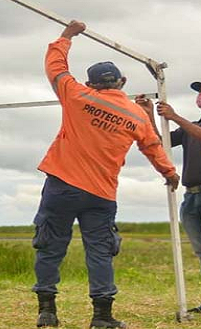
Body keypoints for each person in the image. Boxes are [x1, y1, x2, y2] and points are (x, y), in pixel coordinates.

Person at [32, 21, 180, 328]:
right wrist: (169, 172)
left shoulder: (76, 95)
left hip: (62, 185)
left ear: (91, 83)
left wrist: (66, 37)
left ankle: (47, 311)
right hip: (101, 193)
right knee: (99, 253)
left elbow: (55, 67)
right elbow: (152, 145)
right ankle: (102, 317)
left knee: (50, 246)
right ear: (122, 81)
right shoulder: (136, 114)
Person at [137, 77, 201, 316]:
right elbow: (159, 142)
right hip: (192, 196)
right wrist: (148, 115)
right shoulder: (192, 127)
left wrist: (175, 117)